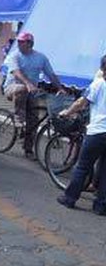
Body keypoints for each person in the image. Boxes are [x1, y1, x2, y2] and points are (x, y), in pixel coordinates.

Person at [57, 55, 106, 216]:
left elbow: (81, 103)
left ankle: (70, 198)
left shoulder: (99, 84)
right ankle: (101, 206)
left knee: (83, 166)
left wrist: (67, 112)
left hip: (97, 132)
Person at [3, 31, 64, 159]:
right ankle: (18, 118)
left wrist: (60, 88)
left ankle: (28, 149)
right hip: (13, 88)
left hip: (32, 92)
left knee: (34, 120)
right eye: (18, 41)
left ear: (30, 43)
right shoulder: (14, 56)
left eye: (22, 42)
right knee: (22, 89)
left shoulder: (40, 58)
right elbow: (16, 72)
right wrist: (28, 84)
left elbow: (51, 74)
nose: (19, 44)